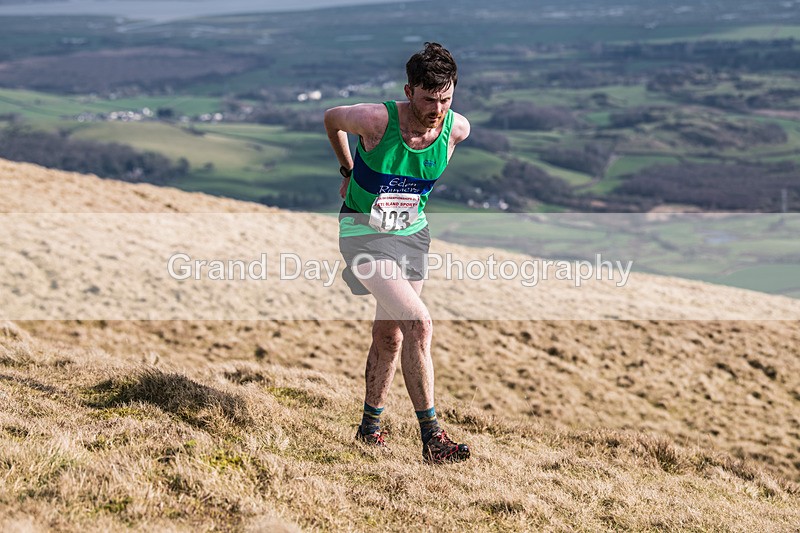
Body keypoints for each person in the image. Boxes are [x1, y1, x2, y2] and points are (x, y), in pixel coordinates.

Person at [323, 42, 471, 464]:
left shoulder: (457, 129)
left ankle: (369, 428)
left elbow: (414, 180)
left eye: (446, 98)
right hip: (362, 234)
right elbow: (332, 119)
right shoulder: (375, 119)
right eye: (428, 99)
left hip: (412, 237)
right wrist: (348, 169)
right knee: (419, 323)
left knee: (390, 334)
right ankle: (433, 437)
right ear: (409, 91)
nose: (437, 109)